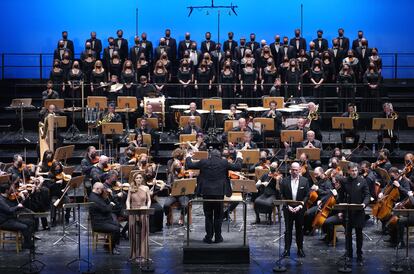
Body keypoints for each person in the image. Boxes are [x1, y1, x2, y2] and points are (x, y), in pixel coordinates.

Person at [185, 149, 243, 243]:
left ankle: (208, 237)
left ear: (210, 155)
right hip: (219, 193)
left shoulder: (203, 161)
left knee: (208, 215)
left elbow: (190, 165)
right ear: (219, 156)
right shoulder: (223, 162)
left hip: (206, 192)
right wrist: (239, 157)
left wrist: (188, 156)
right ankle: (218, 237)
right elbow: (238, 167)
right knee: (218, 216)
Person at [338, 162, 370, 265]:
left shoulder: (362, 181)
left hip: (359, 211)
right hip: (348, 212)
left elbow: (367, 195)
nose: (354, 172)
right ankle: (349, 254)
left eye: (356, 170)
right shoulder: (344, 181)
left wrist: (364, 204)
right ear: (348, 171)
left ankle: (359, 255)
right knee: (348, 234)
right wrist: (340, 211)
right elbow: (341, 196)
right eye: (352, 170)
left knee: (359, 235)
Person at [280, 162, 309, 258]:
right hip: (288, 208)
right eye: (293, 170)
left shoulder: (305, 181)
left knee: (299, 229)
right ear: (290, 170)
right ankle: (287, 249)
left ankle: (300, 249)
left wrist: (300, 206)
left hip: (300, 209)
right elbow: (282, 195)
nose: (295, 171)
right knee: (288, 230)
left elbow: (306, 195)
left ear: (300, 170)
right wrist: (288, 206)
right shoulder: (284, 181)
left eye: (297, 170)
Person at [89, 182, 121, 254]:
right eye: (102, 189)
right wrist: (111, 204)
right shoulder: (94, 199)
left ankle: (110, 246)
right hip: (98, 224)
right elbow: (105, 210)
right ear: (97, 189)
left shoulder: (96, 195)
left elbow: (104, 204)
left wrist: (107, 197)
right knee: (116, 229)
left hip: (103, 220)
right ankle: (112, 248)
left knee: (117, 225)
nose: (103, 190)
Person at [0, 183, 34, 249]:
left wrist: (24, 198)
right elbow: (9, 210)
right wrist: (18, 206)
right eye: (11, 189)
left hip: (11, 219)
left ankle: (27, 242)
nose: (13, 190)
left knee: (30, 222)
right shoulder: (1, 200)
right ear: (6, 190)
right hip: (4, 222)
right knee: (24, 227)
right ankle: (27, 245)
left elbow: (14, 205)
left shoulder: (6, 197)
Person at [126, 172, 151, 262]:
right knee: (134, 233)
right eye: (137, 178)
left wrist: (147, 208)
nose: (139, 179)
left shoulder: (146, 188)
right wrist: (128, 208)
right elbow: (128, 200)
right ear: (134, 179)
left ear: (142, 179)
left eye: (140, 177)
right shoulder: (131, 188)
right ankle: (134, 255)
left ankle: (143, 255)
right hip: (133, 212)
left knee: (143, 233)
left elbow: (149, 200)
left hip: (143, 211)